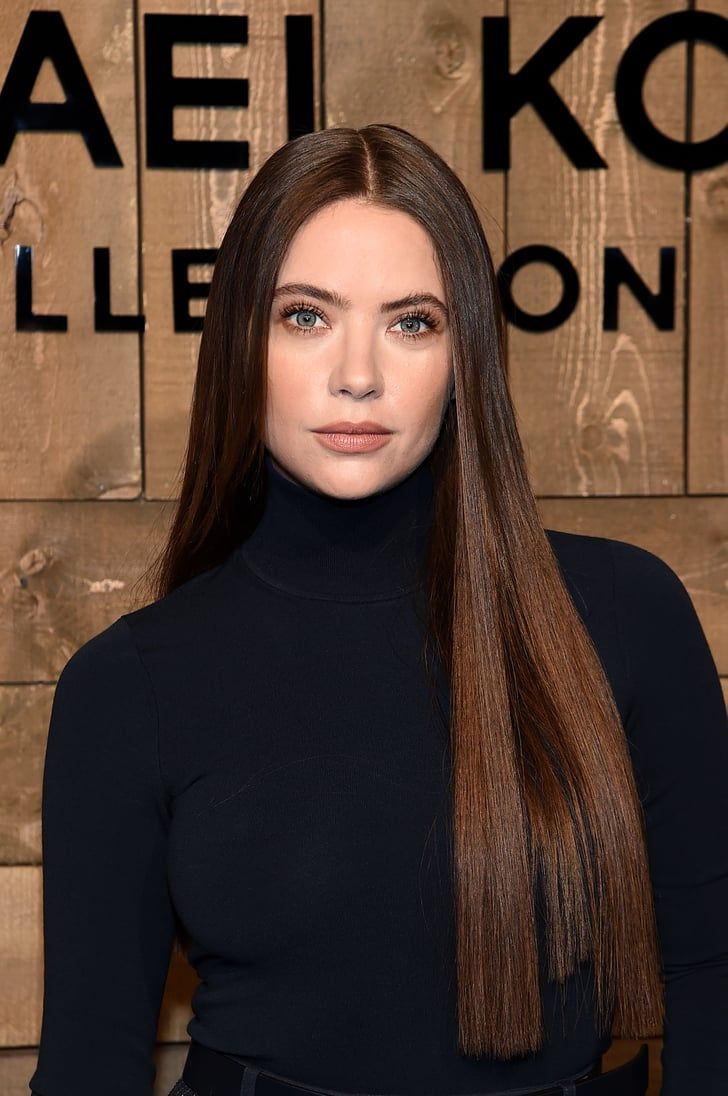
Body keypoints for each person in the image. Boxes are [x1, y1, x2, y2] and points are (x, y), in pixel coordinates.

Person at [29, 125, 727, 1096]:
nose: (356, 373)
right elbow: (87, 1070)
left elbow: (710, 984)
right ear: (240, 335)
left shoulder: (625, 616)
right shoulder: (128, 685)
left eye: (411, 322)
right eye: (305, 316)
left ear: (464, 355)